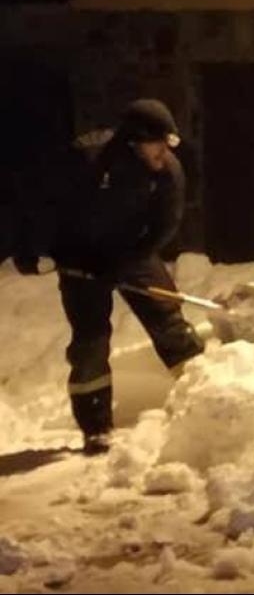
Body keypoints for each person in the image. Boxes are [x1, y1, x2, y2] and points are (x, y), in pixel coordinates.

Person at [12, 99, 203, 454]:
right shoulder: (88, 159)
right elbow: (40, 204)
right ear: (134, 140)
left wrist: (127, 258)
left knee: (168, 319)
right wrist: (30, 247)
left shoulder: (166, 171)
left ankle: (208, 403)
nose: (164, 151)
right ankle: (96, 428)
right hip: (80, 254)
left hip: (133, 250)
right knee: (90, 341)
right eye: (157, 143)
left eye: (169, 143)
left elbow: (165, 225)